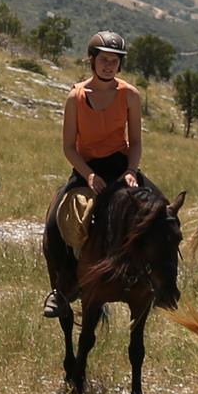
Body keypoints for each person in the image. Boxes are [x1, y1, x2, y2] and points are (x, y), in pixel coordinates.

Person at [42, 31, 142, 316]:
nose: (109, 65)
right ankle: (62, 289)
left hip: (122, 167)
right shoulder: (75, 97)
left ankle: (155, 279)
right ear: (92, 60)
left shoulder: (130, 95)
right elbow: (68, 147)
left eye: (114, 60)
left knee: (156, 213)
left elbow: (135, 142)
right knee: (56, 220)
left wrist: (132, 171)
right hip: (86, 168)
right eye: (104, 59)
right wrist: (87, 176)